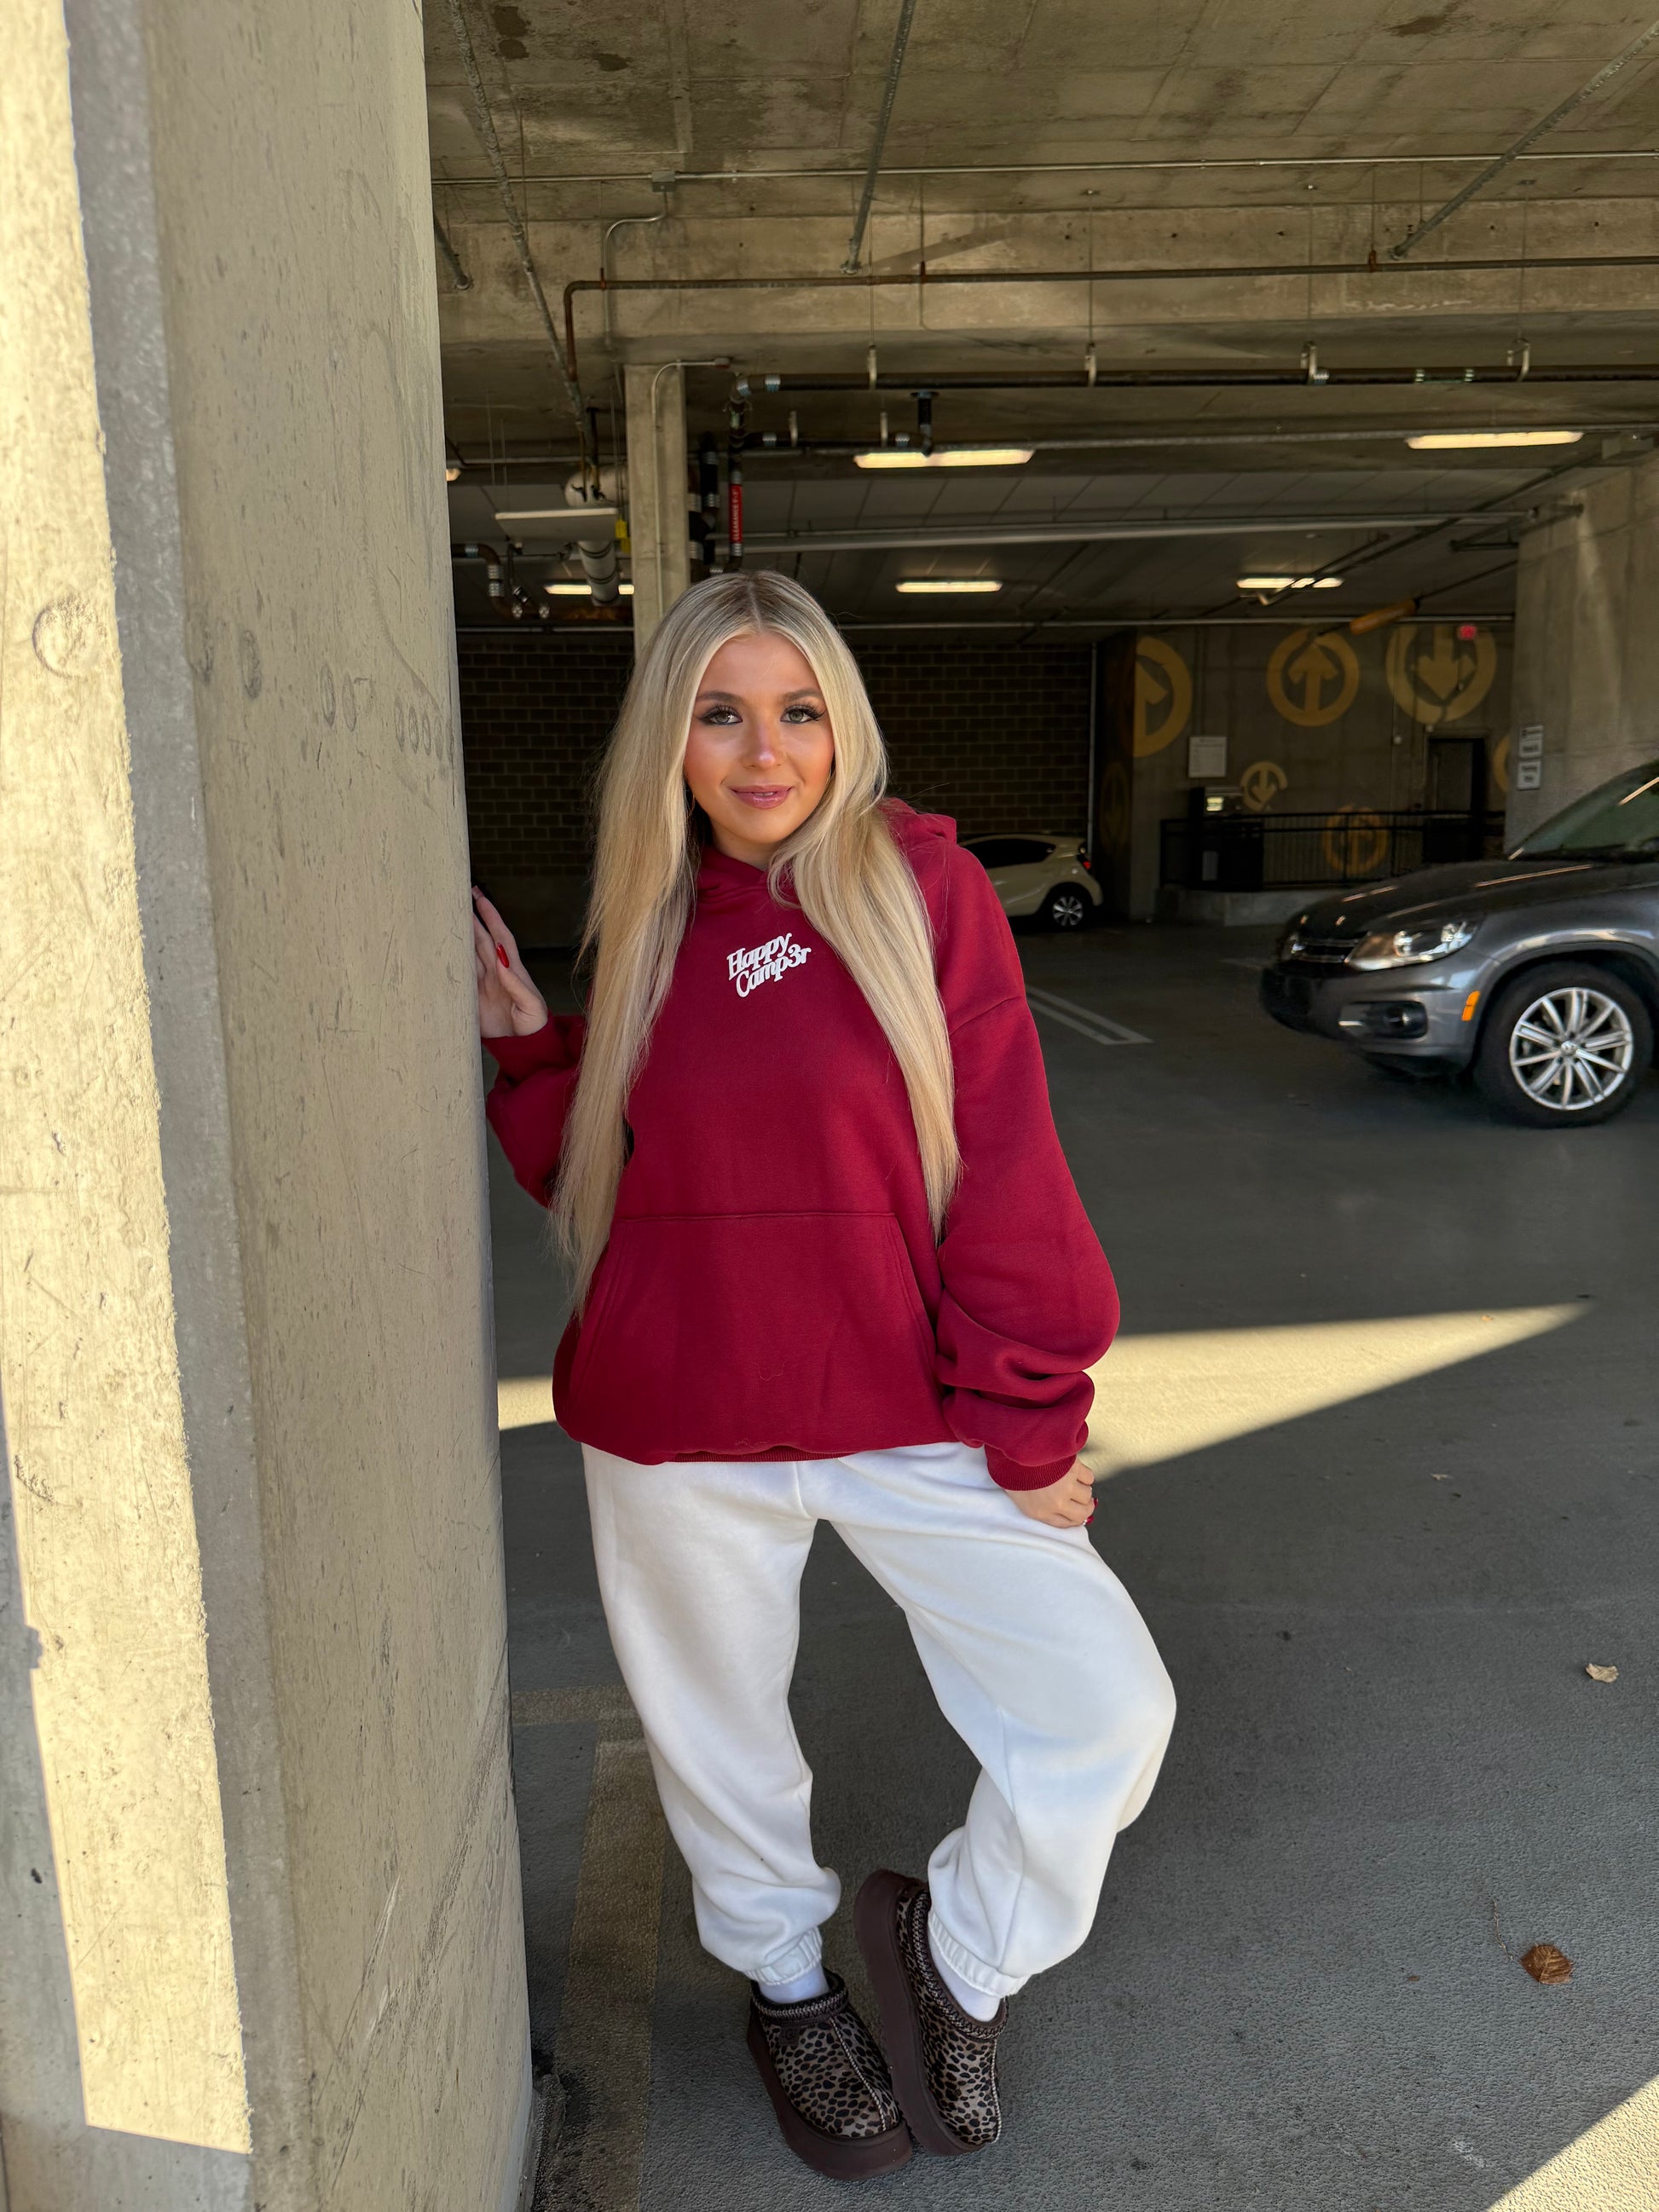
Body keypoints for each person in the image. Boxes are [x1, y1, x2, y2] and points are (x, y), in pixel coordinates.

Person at [471, 572, 1175, 2180]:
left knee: (1103, 1711)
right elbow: (622, 1180)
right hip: (677, 1417)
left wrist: (1029, 1419)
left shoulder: (920, 889)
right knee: (717, 1738)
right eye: (719, 714)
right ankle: (786, 1986)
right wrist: (530, 1053)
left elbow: (1003, 1159)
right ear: (671, 741)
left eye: (797, 711)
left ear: (842, 725)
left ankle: (960, 1960)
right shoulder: (651, 922)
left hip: (906, 1407)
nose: (763, 751)